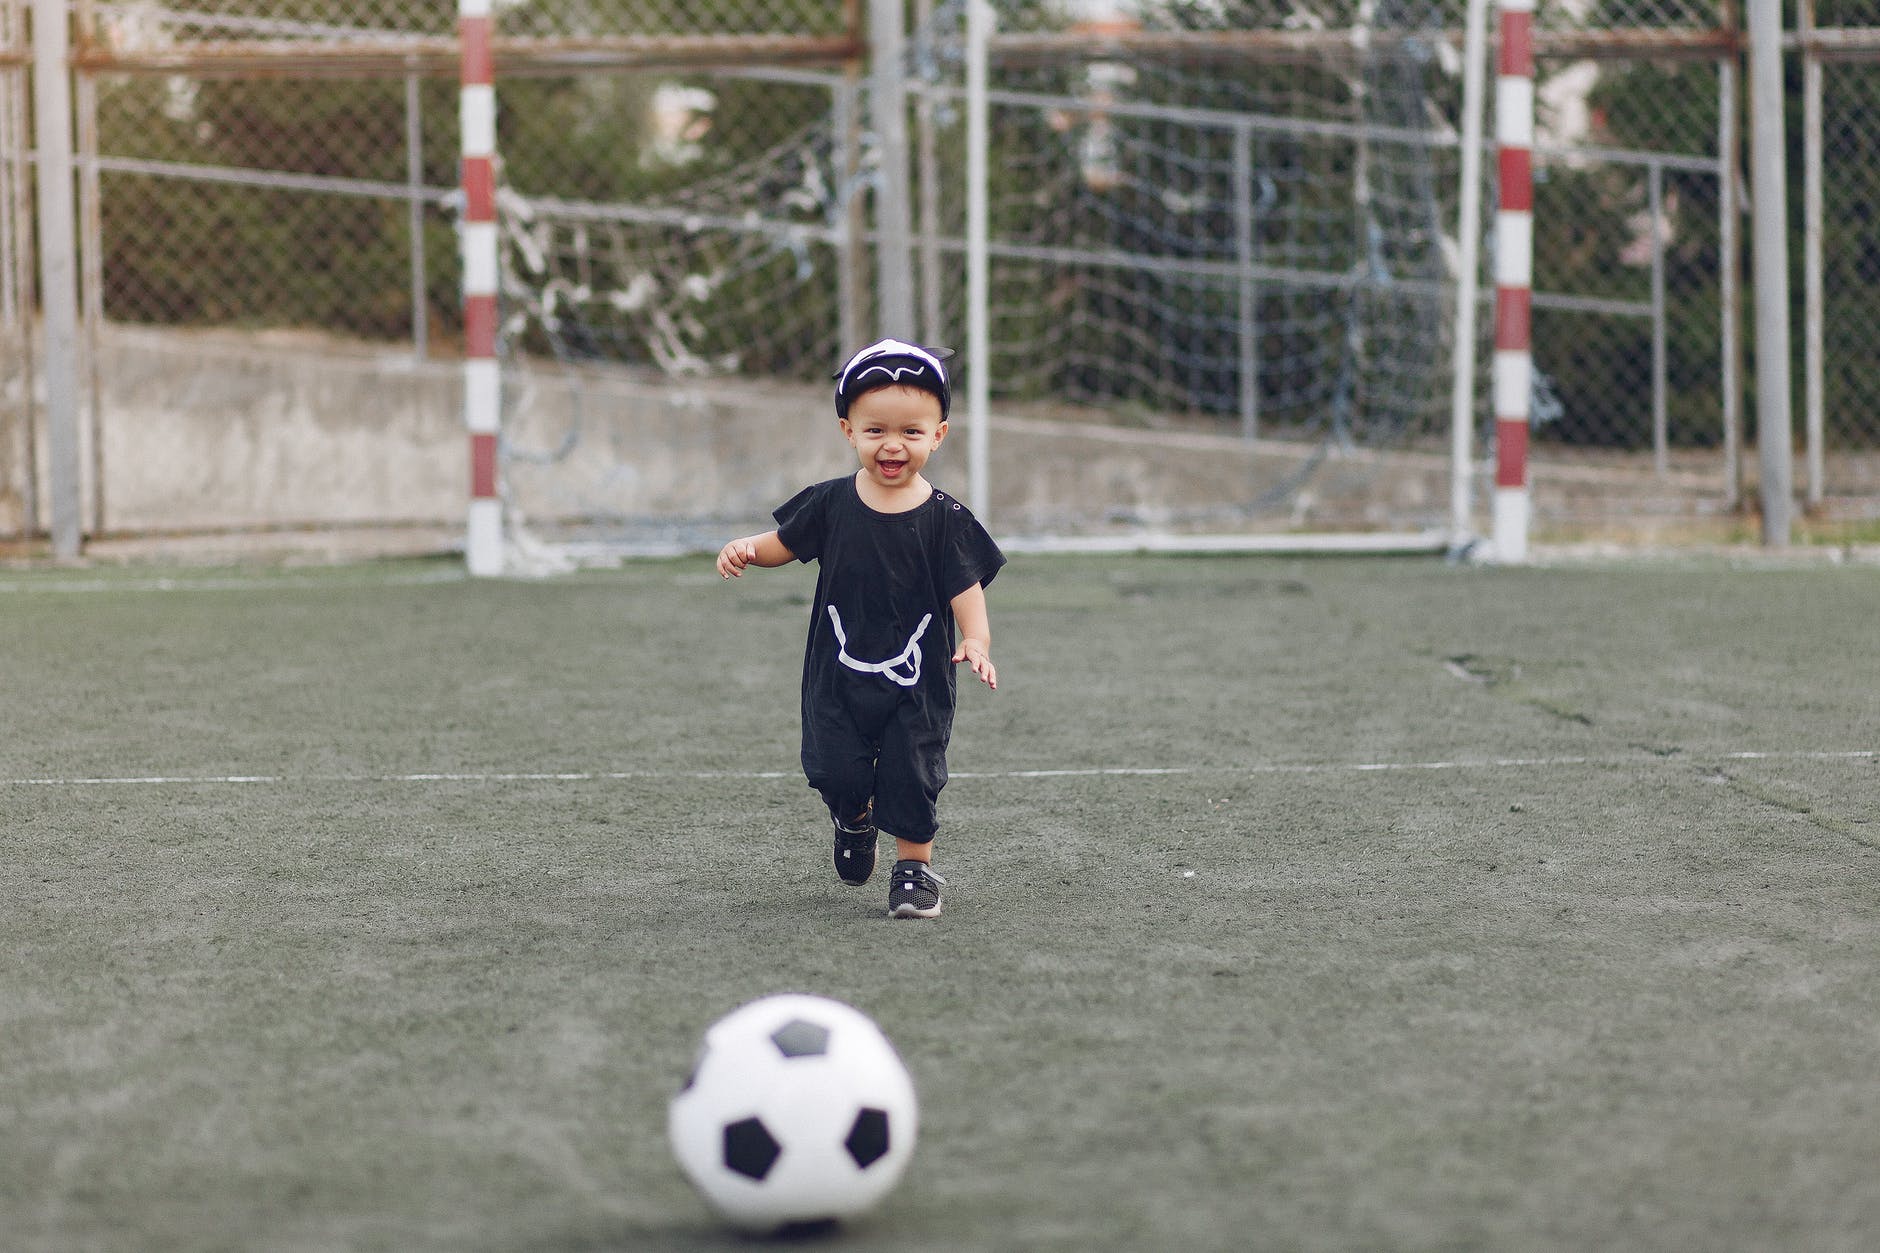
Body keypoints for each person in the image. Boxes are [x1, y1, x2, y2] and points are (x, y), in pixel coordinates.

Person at [717, 338, 1006, 919]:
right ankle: (853, 817)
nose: (892, 445)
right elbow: (784, 545)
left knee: (913, 771)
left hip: (917, 679)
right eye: (875, 431)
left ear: (939, 434)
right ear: (848, 430)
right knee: (832, 767)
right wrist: (749, 547)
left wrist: (975, 639)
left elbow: (965, 591)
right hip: (836, 674)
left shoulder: (946, 519)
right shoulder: (830, 504)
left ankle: (914, 873)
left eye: (911, 432)